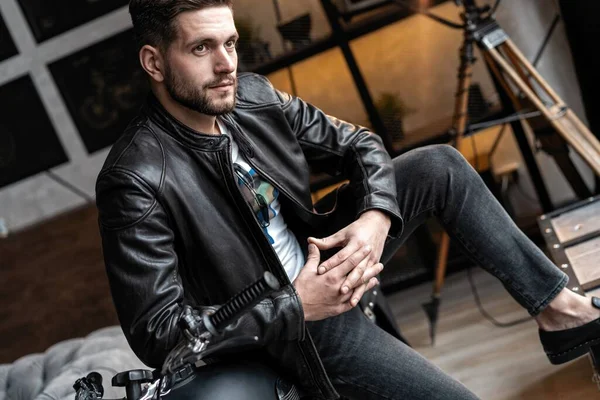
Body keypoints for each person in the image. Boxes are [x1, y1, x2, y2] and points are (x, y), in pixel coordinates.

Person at [95, 1, 600, 399]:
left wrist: (376, 217)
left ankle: (558, 311)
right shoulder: (136, 178)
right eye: (202, 48)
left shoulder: (252, 97)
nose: (227, 64)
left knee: (438, 165)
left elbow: (360, 144)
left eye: (231, 42)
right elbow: (160, 334)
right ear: (154, 62)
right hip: (297, 329)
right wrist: (297, 305)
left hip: (325, 258)